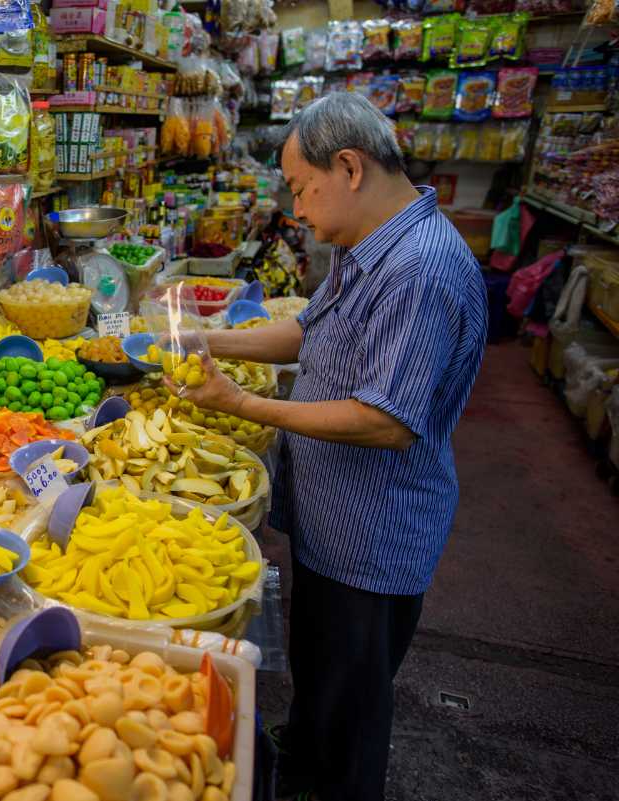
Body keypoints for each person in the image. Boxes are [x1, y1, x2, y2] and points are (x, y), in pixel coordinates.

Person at [170, 93, 488, 801]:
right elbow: (309, 329)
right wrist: (207, 340)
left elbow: (386, 419)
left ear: (347, 167)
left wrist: (243, 403)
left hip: (373, 535)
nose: (297, 209)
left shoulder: (421, 270)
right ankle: (304, 766)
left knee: (354, 702)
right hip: (331, 520)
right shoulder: (366, 243)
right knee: (320, 672)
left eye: (298, 188)